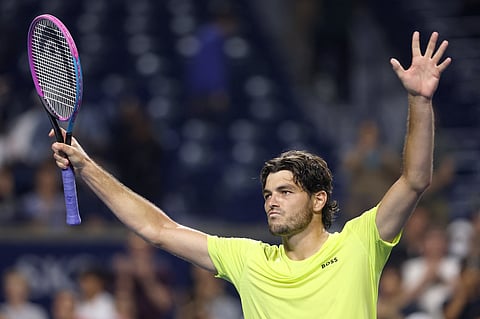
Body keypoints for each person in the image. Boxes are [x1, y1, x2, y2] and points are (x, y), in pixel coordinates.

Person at [51, 31, 451, 318]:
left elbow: (415, 179)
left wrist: (419, 100)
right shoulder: (247, 260)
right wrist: (87, 167)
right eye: (266, 194)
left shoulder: (360, 243)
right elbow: (158, 229)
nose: (271, 201)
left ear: (319, 199)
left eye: (285, 191)